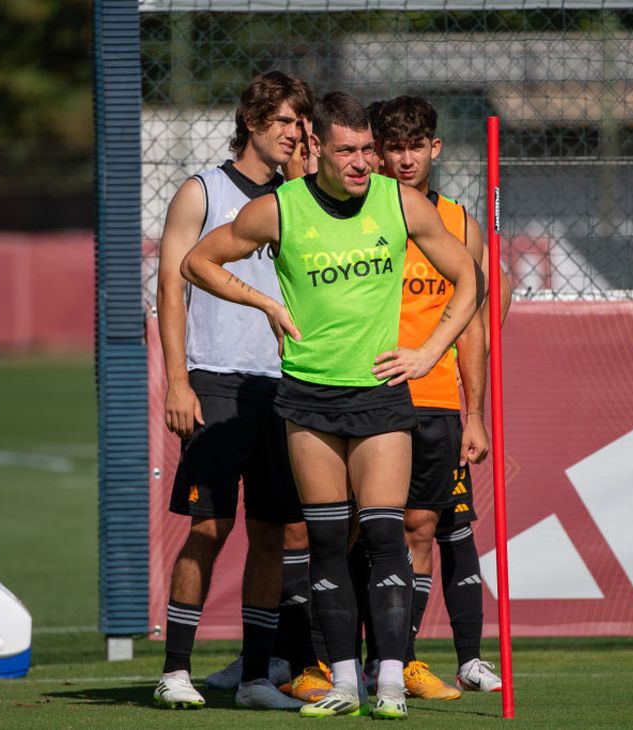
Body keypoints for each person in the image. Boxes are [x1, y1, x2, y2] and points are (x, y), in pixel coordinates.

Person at [181, 91, 484, 720]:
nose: (363, 162)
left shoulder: (399, 203)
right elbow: (198, 261)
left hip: (381, 396)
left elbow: (470, 277)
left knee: (384, 538)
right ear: (316, 146)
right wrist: (264, 302)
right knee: (324, 543)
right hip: (308, 399)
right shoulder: (280, 210)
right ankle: (344, 682)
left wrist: (428, 353)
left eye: (369, 149)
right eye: (348, 150)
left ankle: (391, 684)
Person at [152, 70, 318, 711]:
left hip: (286, 386)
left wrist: (304, 184)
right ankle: (174, 670)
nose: (294, 135)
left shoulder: (297, 199)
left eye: (302, 125)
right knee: (209, 526)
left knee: (277, 534)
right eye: (283, 122)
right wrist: (177, 380)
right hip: (216, 379)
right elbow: (171, 285)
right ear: (252, 122)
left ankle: (254, 678)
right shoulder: (204, 191)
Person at [371, 95, 511, 698]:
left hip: (435, 399)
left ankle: (402, 662)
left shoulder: (459, 222)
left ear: (435, 149)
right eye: (392, 147)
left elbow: (479, 316)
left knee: (425, 527)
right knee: (357, 531)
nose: (404, 159)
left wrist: (473, 412)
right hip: (366, 392)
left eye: (415, 146)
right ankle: (341, 660)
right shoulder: (359, 212)